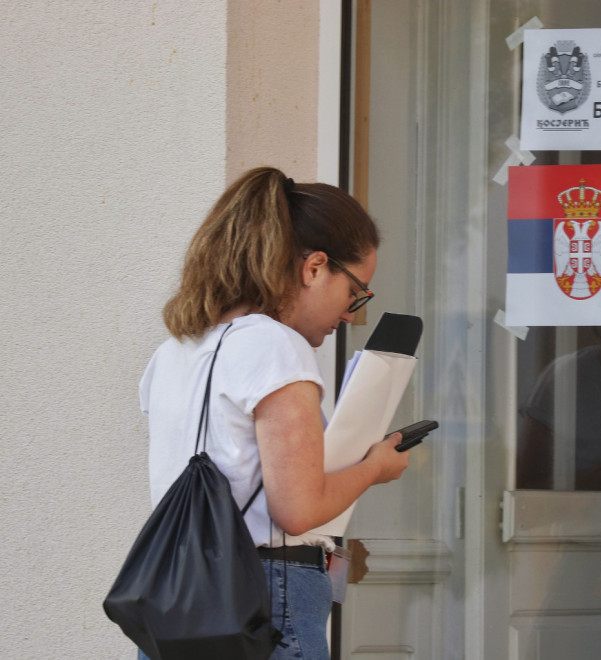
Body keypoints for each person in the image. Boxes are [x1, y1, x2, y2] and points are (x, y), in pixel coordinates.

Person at [138, 167, 410, 659]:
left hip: (176, 596)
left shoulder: (175, 351)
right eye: (355, 291)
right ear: (315, 267)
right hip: (265, 594)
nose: (352, 313)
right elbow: (297, 510)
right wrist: (375, 467)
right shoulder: (277, 346)